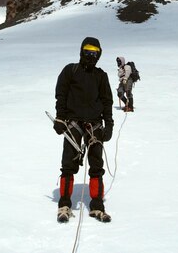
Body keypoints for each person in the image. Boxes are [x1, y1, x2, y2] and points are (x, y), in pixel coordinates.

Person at [53, 37, 114, 223]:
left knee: (96, 165)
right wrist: (60, 118)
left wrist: (109, 124)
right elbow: (61, 95)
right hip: (72, 123)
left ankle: (97, 205)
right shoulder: (70, 71)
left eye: (94, 52)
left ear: (99, 54)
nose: (90, 55)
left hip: (94, 124)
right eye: (87, 51)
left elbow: (107, 101)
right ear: (81, 51)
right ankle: (64, 203)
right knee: (68, 164)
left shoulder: (101, 76)